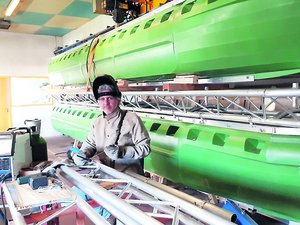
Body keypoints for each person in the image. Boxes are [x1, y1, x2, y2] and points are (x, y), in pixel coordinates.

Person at [72, 74, 151, 175]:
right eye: (102, 99)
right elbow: (90, 145)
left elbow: (145, 148)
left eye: (109, 98)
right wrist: (82, 154)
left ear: (118, 99)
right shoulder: (97, 122)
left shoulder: (131, 119)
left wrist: (122, 152)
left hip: (129, 178)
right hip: (104, 175)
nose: (106, 103)